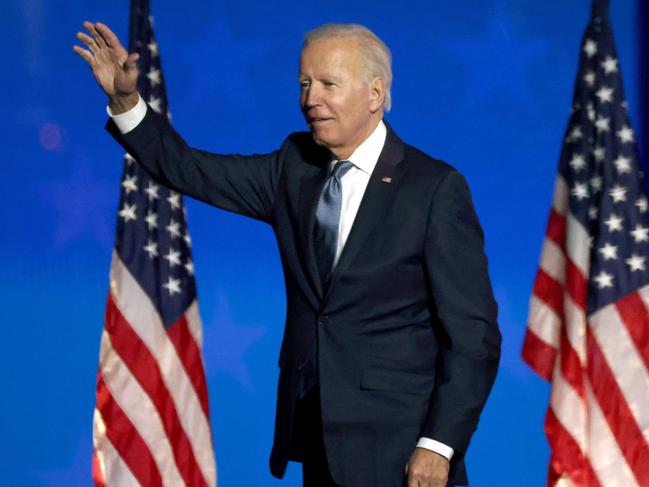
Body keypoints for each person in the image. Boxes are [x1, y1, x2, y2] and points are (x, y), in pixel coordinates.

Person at [74, 20, 501, 487]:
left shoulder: (434, 189)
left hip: (405, 451)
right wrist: (126, 102)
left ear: (375, 93)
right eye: (304, 83)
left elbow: (473, 336)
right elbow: (190, 170)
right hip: (318, 440)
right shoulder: (294, 167)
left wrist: (438, 445)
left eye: (328, 84)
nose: (310, 99)